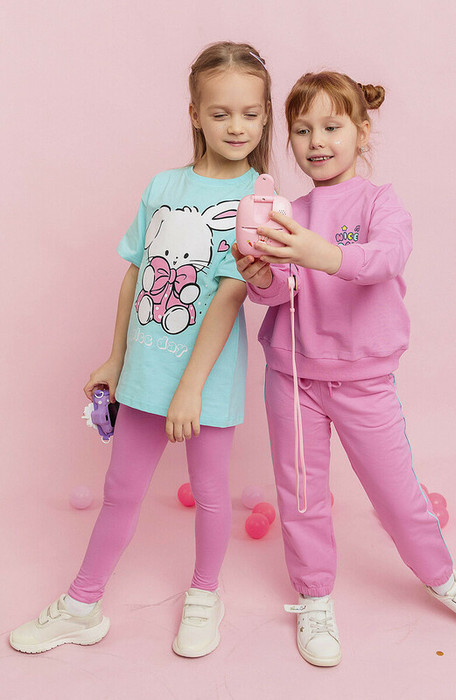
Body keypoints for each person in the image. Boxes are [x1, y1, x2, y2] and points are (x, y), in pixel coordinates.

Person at [233, 71, 456, 667]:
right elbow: (283, 291)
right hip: (293, 377)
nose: (316, 141)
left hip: (364, 380)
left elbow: (385, 259)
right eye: (302, 130)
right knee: (301, 496)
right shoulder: (288, 210)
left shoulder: (381, 202)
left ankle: (444, 579)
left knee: (397, 494)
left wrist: (319, 252)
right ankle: (314, 597)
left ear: (361, 132)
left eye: (332, 127)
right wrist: (259, 277)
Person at [10, 41, 273, 658]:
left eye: (250, 113)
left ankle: (205, 594)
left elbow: (231, 294)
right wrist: (116, 358)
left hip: (205, 380)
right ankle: (82, 605)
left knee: (211, 493)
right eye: (221, 113)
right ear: (195, 114)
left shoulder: (258, 203)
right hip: (146, 372)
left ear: (265, 117)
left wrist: (191, 389)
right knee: (121, 492)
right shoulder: (162, 185)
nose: (236, 126)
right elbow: (137, 272)